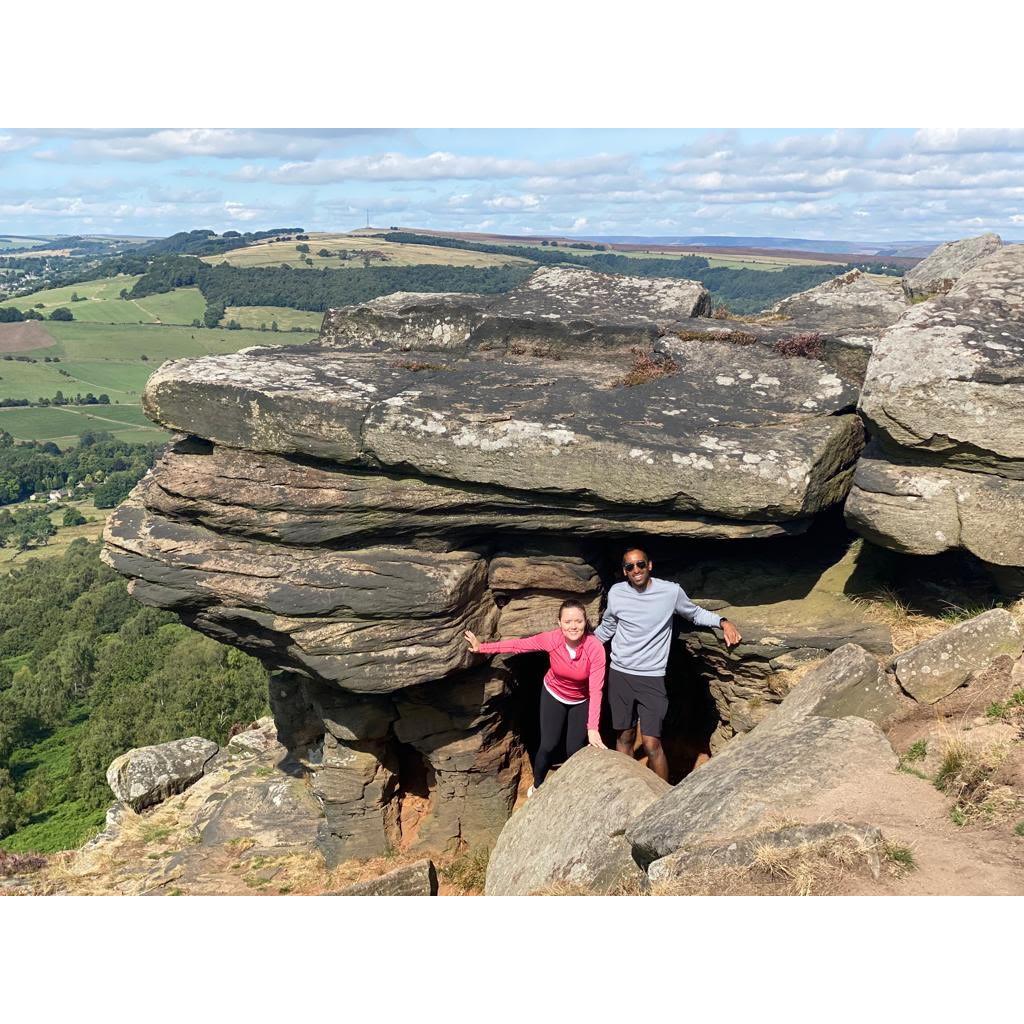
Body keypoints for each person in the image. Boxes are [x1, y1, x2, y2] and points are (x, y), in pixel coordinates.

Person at [594, 546, 742, 782]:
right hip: (620, 674)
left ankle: (661, 797)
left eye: (640, 564)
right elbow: (608, 627)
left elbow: (694, 613)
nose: (636, 570)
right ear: (624, 571)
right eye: (630, 566)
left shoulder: (670, 592)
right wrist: (582, 648)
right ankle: (627, 789)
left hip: (651, 678)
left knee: (652, 743)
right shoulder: (616, 593)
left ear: (649, 565)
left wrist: (722, 622)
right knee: (624, 737)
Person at [465, 599, 607, 795]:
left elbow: (596, 690)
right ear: (559, 623)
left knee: (575, 750)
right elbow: (518, 646)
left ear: (586, 622)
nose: (573, 626)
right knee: (548, 745)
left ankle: (571, 791)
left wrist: (593, 728)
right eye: (568, 621)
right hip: (554, 694)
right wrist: (483, 648)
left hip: (580, 700)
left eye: (578, 621)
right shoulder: (552, 639)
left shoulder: (595, 648)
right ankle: (538, 785)